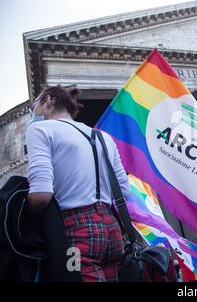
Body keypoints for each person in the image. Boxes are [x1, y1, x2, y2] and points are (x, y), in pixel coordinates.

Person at [26, 85, 132, 282]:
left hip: (75, 235)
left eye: (33, 106)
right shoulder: (103, 137)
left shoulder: (39, 130)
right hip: (112, 233)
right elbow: (124, 191)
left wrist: (25, 211)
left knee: (74, 277)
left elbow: (41, 195)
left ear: (48, 100)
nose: (32, 112)